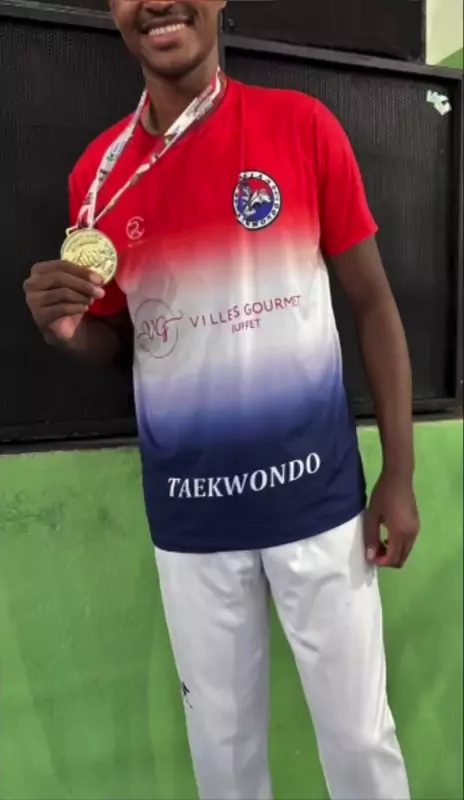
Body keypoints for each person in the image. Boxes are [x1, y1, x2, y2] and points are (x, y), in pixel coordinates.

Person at [23, 1, 420, 798]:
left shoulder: (302, 128)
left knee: (361, 745)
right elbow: (116, 340)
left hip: (319, 503)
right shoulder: (96, 177)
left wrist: (399, 473)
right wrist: (66, 331)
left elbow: (374, 302)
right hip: (192, 518)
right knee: (224, 762)